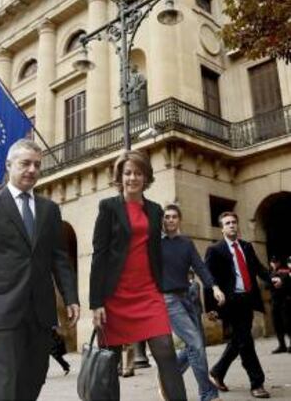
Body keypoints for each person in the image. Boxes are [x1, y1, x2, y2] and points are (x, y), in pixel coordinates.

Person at [0, 139, 79, 401]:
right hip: (2, 306)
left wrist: (71, 297)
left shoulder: (49, 209)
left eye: (37, 165)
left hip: (40, 308)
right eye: (25, 164)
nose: (32, 169)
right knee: (8, 374)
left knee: (36, 374)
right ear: (9, 165)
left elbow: (59, 258)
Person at [90, 150, 187, 401]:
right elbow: (99, 255)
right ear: (120, 177)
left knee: (166, 350)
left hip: (148, 292)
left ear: (146, 177)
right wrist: (96, 302)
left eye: (138, 173)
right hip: (115, 295)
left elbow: (156, 251)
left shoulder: (155, 210)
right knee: (110, 364)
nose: (133, 178)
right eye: (128, 173)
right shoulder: (108, 207)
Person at [204, 211, 282, 399]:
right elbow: (208, 278)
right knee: (246, 341)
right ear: (222, 228)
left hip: (247, 299)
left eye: (234, 222)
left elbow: (259, 268)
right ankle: (257, 383)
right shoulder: (215, 250)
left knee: (239, 340)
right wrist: (211, 308)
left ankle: (217, 372)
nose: (231, 225)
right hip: (230, 302)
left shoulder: (246, 246)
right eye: (227, 223)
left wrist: (272, 279)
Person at [161, 204, 224, 401]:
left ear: (179, 220)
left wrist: (214, 287)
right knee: (195, 342)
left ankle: (169, 378)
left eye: (174, 217)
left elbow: (200, 266)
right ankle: (207, 393)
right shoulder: (154, 244)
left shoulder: (186, 243)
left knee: (195, 345)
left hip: (187, 297)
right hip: (168, 299)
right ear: (162, 220)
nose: (170, 220)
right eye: (167, 217)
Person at [268, 256, 291, 353]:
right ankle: (282, 345)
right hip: (275, 302)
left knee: (287, 323)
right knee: (277, 324)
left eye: (275, 262)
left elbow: (287, 282)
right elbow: (266, 285)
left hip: (285, 301)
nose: (273, 264)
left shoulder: (285, 271)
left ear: (279, 262)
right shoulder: (271, 273)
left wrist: (281, 281)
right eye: (272, 262)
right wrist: (274, 280)